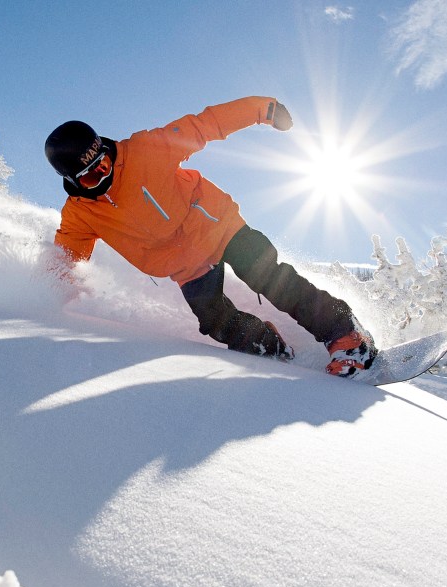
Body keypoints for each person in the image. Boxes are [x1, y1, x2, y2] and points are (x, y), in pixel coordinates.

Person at [46, 96, 376, 377]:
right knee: (213, 320)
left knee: (269, 277)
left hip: (217, 225)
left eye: (105, 163)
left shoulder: (146, 149)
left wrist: (263, 110)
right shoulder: (79, 214)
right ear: (73, 181)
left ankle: (347, 337)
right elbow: (67, 258)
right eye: (92, 177)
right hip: (183, 263)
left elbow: (206, 124)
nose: (103, 174)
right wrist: (43, 300)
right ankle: (268, 345)